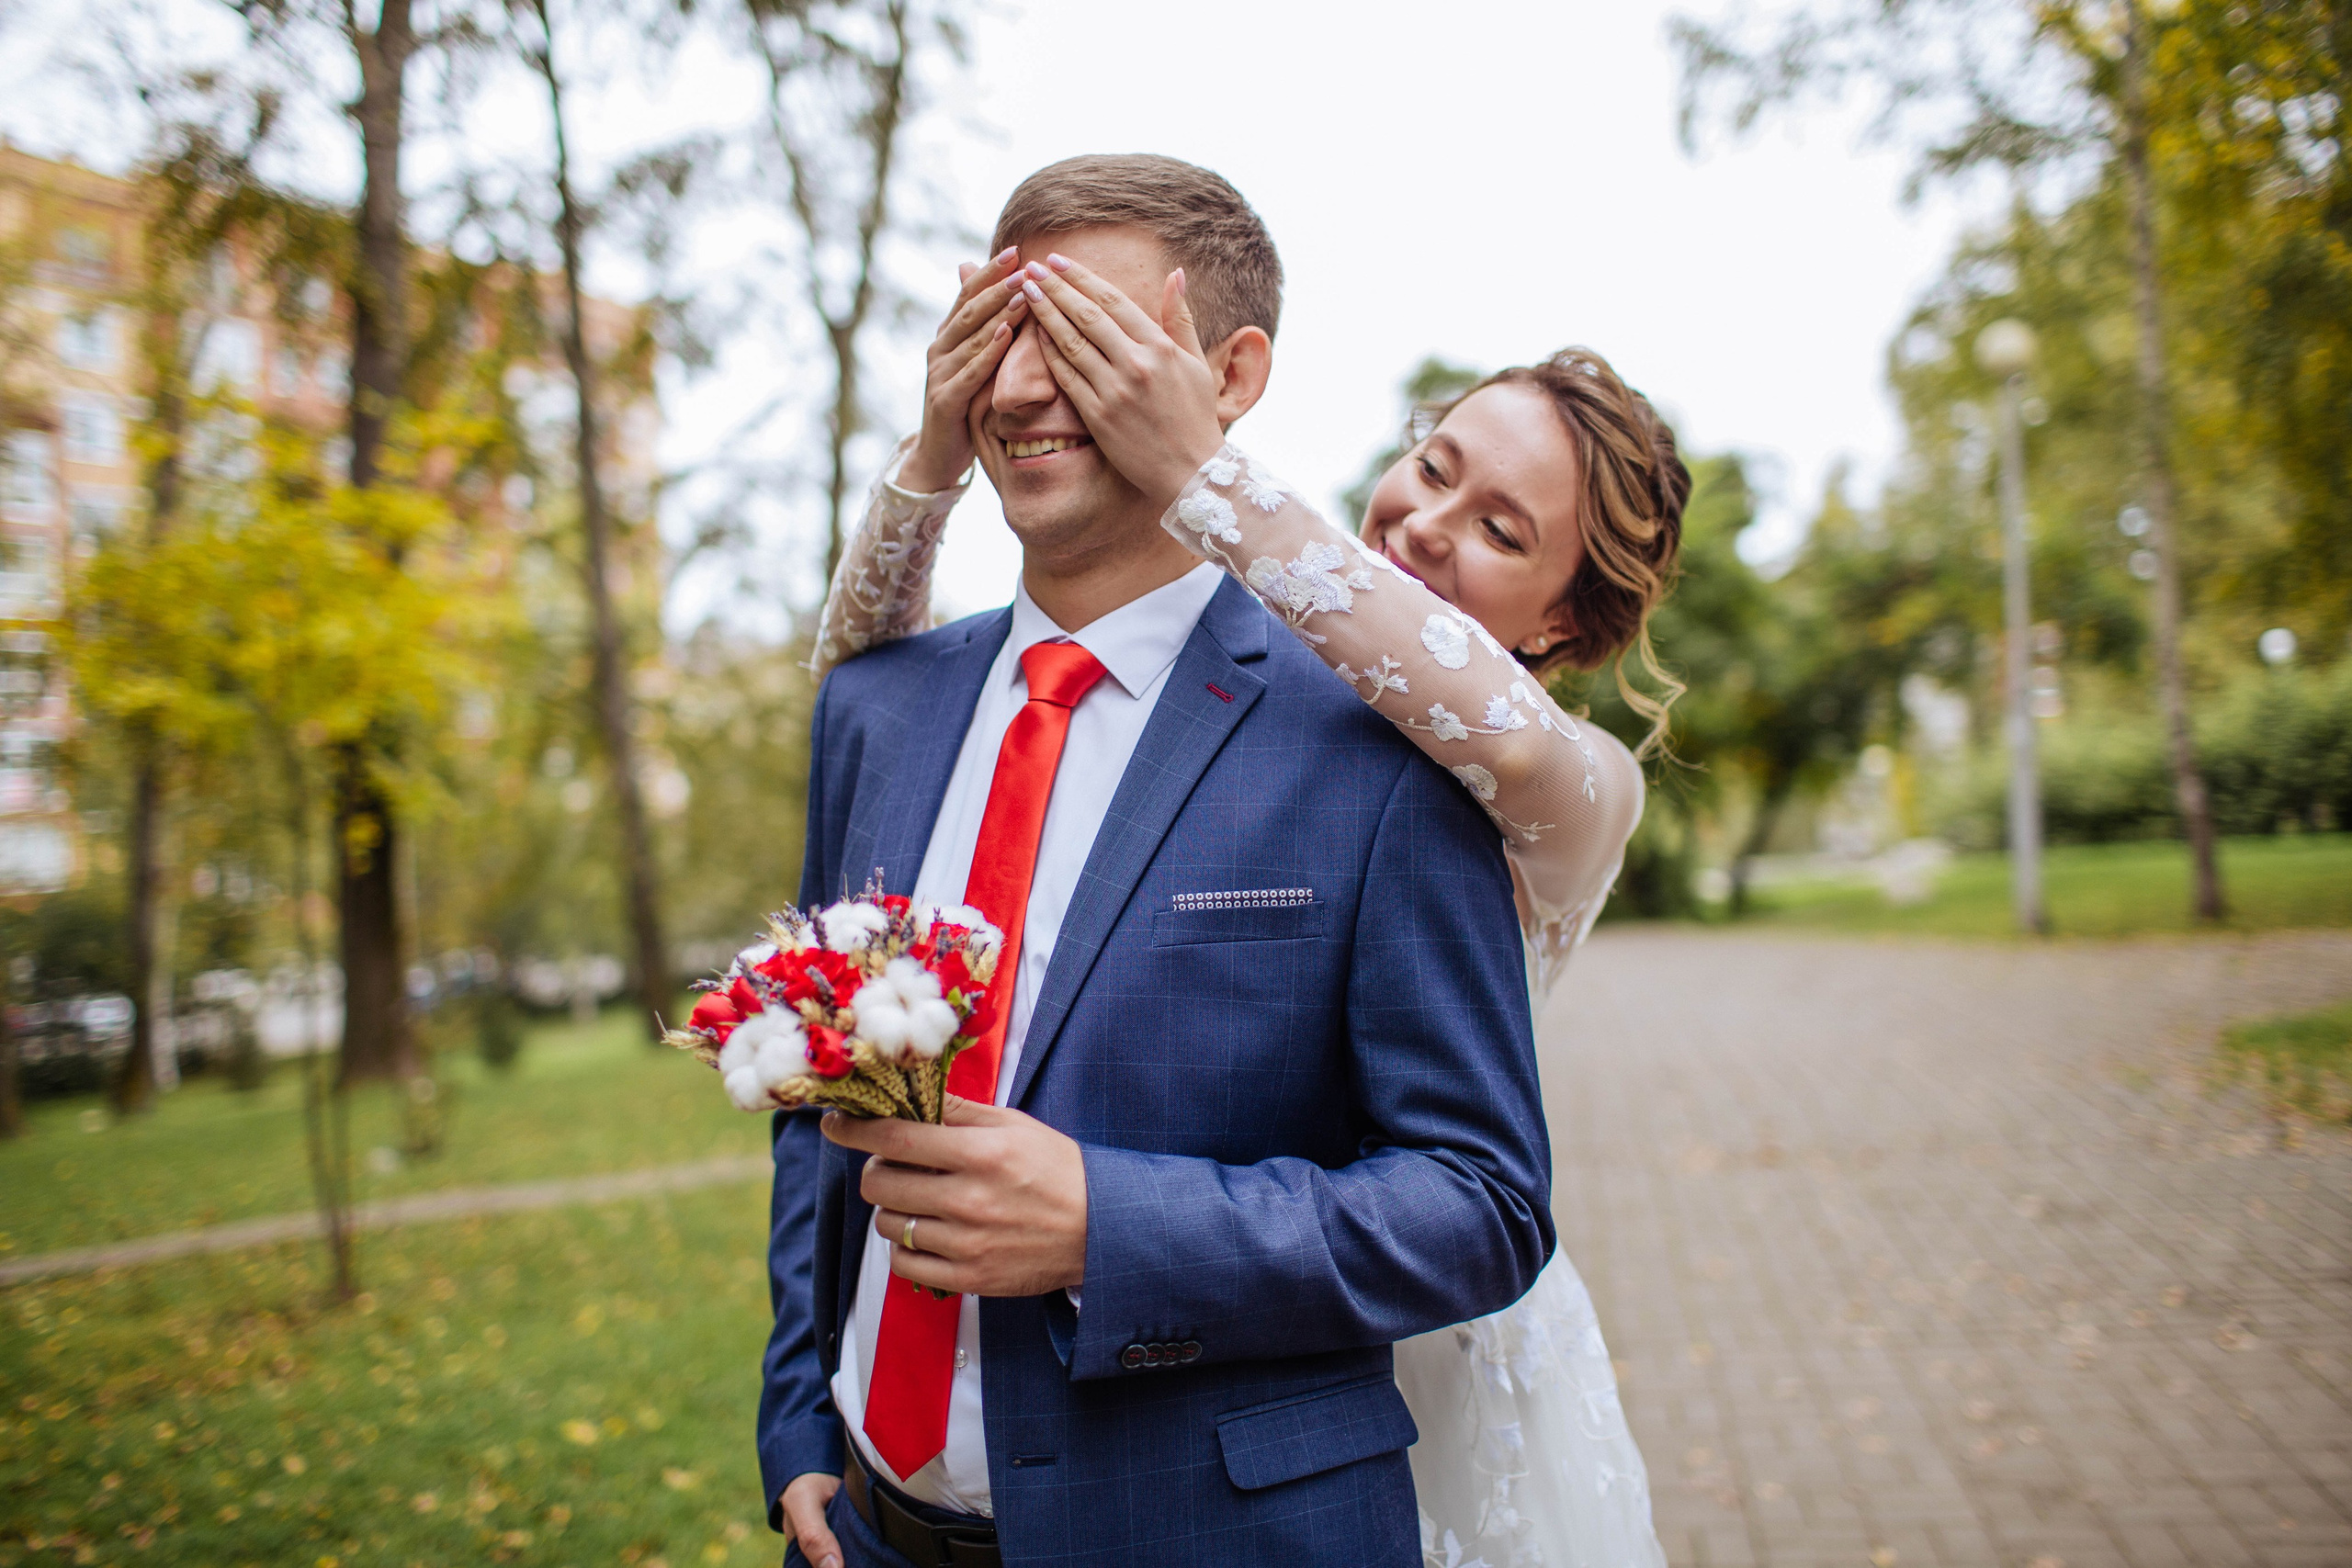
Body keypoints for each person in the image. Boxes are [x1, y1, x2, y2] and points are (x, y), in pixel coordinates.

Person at [809, 205, 1689, 1568]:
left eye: (1502, 527)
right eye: (1431, 465)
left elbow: (1497, 737)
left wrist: (1197, 469)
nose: (1424, 522)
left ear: (1565, 617)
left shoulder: (1539, 775)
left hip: (1354, 1398)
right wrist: (942, 449)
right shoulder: (1247, 669)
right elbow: (865, 693)